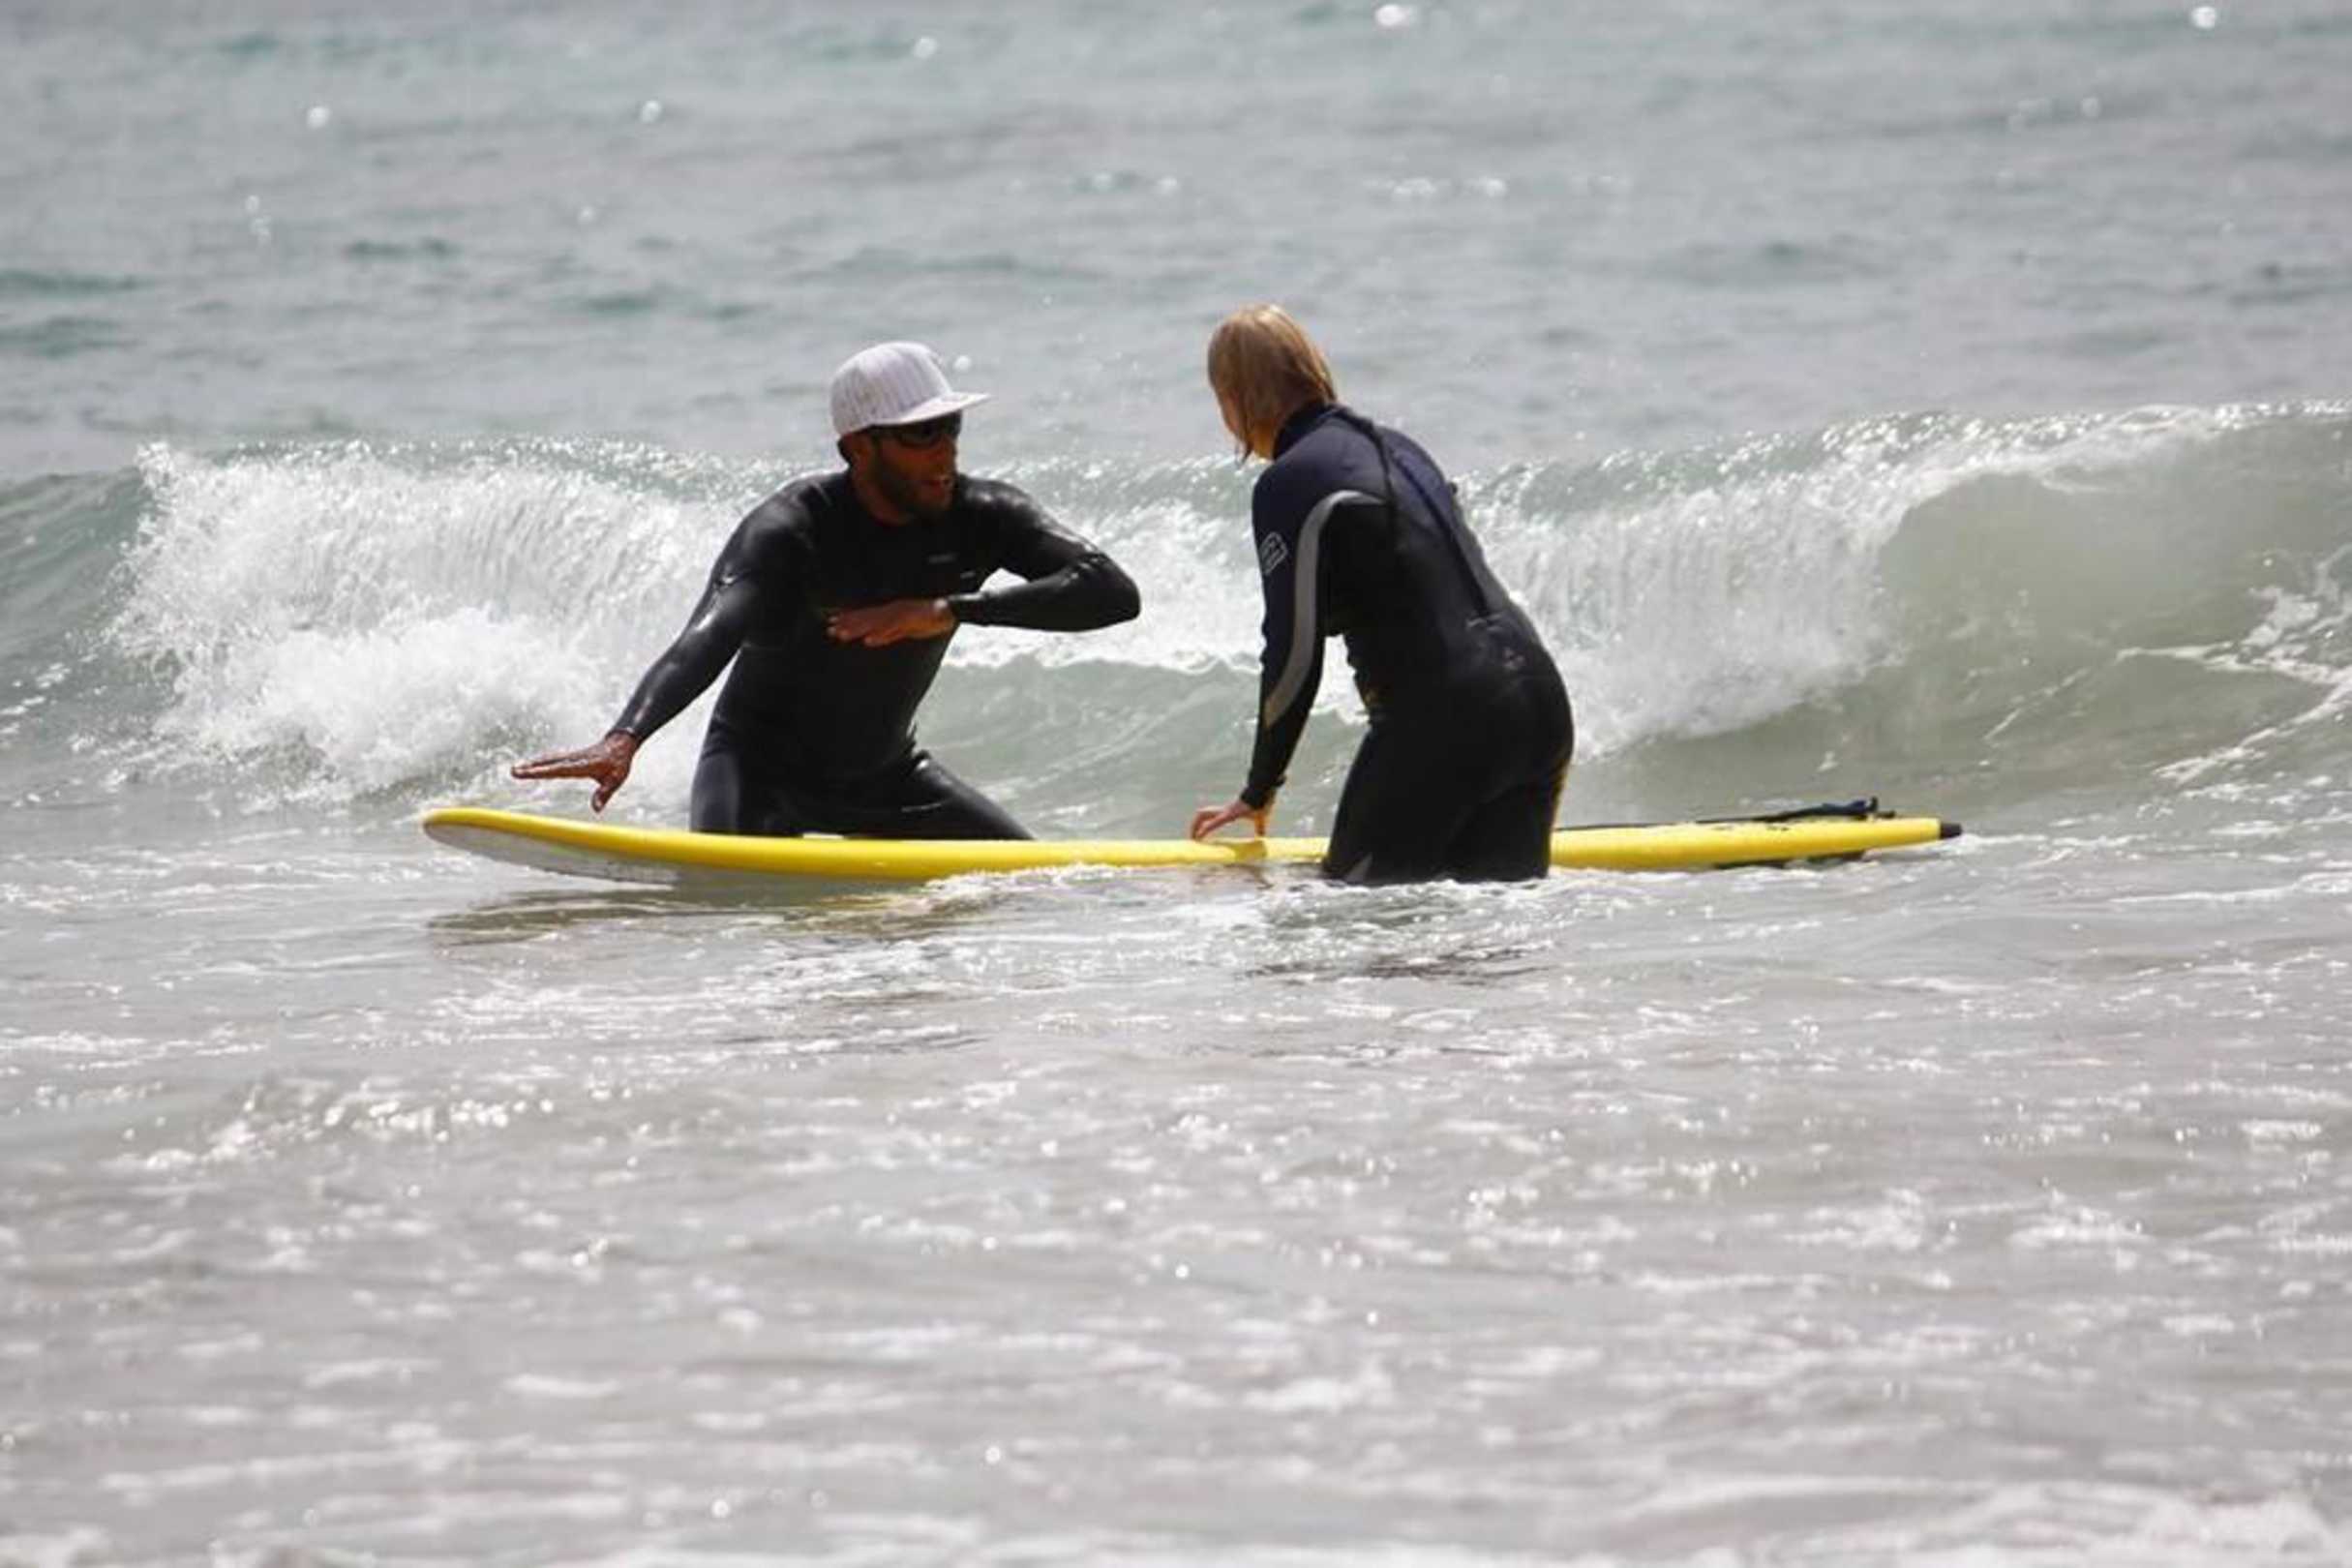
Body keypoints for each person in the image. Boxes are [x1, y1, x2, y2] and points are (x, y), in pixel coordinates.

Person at [514, 341, 1140, 839]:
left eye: (950, 427)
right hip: (758, 776)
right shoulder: (792, 530)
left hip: (887, 778)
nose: (944, 451)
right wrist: (625, 738)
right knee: (729, 904)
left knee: (1030, 883)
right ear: (858, 448)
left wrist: (951, 610)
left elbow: (1111, 591)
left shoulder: (980, 516)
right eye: (920, 434)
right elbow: (710, 633)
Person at [1188, 305, 1573, 883]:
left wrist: (1259, 788)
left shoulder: (1290, 483)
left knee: (1353, 917)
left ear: (1233, 399)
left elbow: (1293, 653)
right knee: (1492, 931)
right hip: (1539, 706)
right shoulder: (1401, 449)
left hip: (1443, 722)